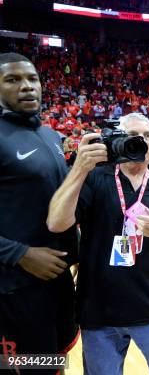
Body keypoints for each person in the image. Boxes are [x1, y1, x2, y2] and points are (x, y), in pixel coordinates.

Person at [47, 112, 149, 375]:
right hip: (99, 312)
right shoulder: (95, 179)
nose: (141, 141)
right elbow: (57, 223)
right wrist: (80, 168)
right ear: (117, 141)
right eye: (133, 136)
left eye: (147, 136)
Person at [0, 53, 78, 375]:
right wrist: (20, 254)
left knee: (53, 363)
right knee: (25, 369)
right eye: (12, 80)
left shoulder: (50, 135)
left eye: (32, 79)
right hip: (15, 287)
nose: (27, 87)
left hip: (56, 282)